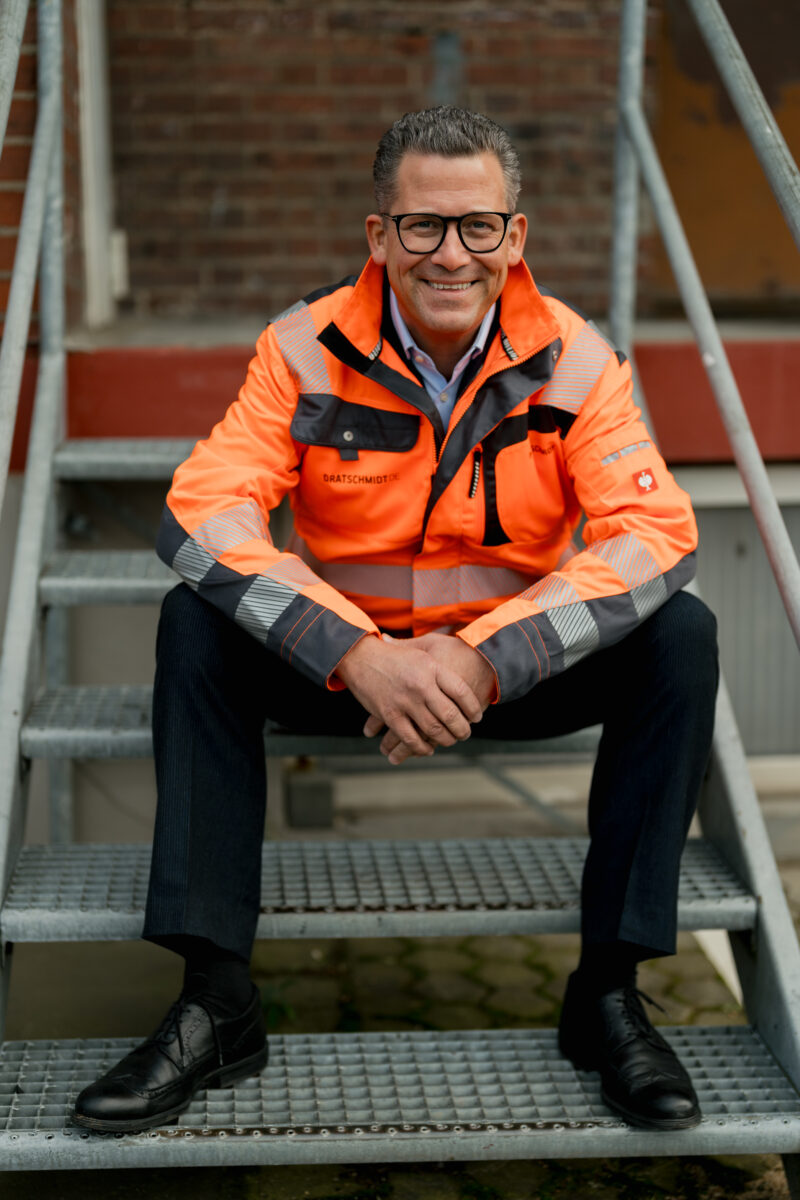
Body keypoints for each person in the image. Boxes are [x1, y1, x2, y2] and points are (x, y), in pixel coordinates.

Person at [72, 106, 718, 1134]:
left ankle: (607, 991)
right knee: (192, 621)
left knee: (681, 636)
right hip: (343, 674)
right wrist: (356, 653)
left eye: (477, 226)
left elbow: (655, 534)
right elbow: (204, 513)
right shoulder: (303, 347)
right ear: (379, 235)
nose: (450, 254)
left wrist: (485, 659)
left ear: (514, 235)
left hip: (509, 674)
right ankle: (216, 1001)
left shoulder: (575, 359)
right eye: (422, 225)